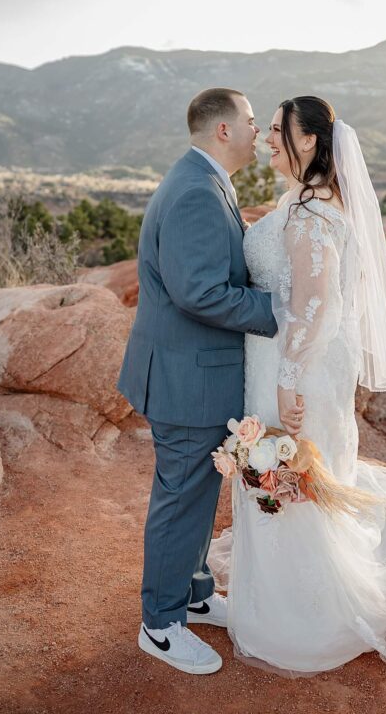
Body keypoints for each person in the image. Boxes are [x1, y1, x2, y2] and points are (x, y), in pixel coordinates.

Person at [207, 95, 386, 676]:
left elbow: (317, 304)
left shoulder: (312, 213)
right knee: (295, 470)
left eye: (278, 131)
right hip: (290, 357)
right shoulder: (304, 201)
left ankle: (305, 618)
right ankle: (281, 598)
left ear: (308, 141)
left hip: (296, 364)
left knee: (291, 469)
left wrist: (288, 381)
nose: (267, 140)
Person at [117, 88, 303, 675]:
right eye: (252, 121)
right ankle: (162, 624)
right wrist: (282, 312)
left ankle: (194, 594)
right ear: (224, 130)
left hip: (188, 371)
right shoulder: (197, 192)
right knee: (181, 498)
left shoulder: (202, 181)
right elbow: (199, 292)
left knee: (197, 492)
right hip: (185, 378)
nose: (259, 132)